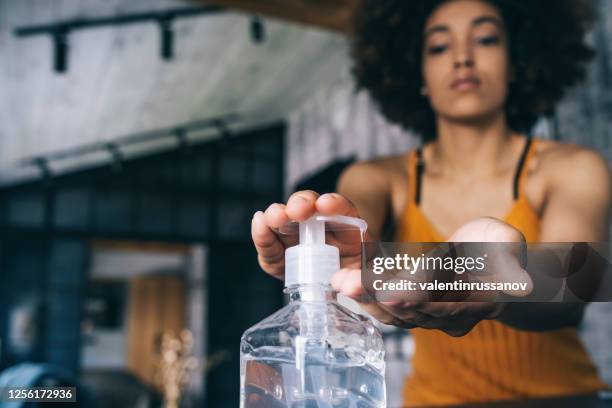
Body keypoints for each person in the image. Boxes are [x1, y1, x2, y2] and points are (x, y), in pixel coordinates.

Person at [251, 0, 611, 405]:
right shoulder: (378, 178)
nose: (462, 57)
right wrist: (329, 259)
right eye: (439, 47)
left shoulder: (576, 167)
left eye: (486, 39)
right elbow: (353, 245)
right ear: (418, 73)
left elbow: (572, 291)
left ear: (517, 61)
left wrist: (500, 284)